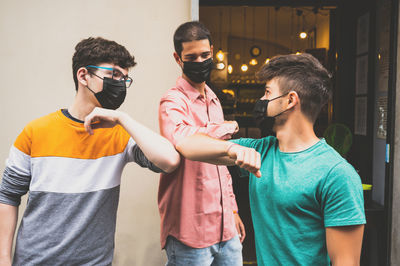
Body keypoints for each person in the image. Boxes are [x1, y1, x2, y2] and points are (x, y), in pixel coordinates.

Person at [0, 37, 180, 266]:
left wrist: (122, 118)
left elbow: (170, 160)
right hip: (34, 261)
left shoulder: (120, 134)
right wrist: (3, 259)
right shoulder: (35, 131)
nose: (121, 83)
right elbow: (7, 196)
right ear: (83, 75)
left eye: (125, 78)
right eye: (114, 74)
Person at [175, 53, 366, 266]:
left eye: (267, 93)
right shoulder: (261, 150)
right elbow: (185, 144)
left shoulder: (337, 175)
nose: (262, 101)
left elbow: (346, 262)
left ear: (290, 100)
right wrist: (232, 148)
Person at [158, 21, 245, 266]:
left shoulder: (214, 99)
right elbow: (184, 138)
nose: (200, 62)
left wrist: (234, 211)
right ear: (178, 58)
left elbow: (221, 167)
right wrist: (228, 127)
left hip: (226, 228)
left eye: (205, 55)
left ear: (213, 51)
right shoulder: (172, 101)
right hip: (190, 232)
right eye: (191, 57)